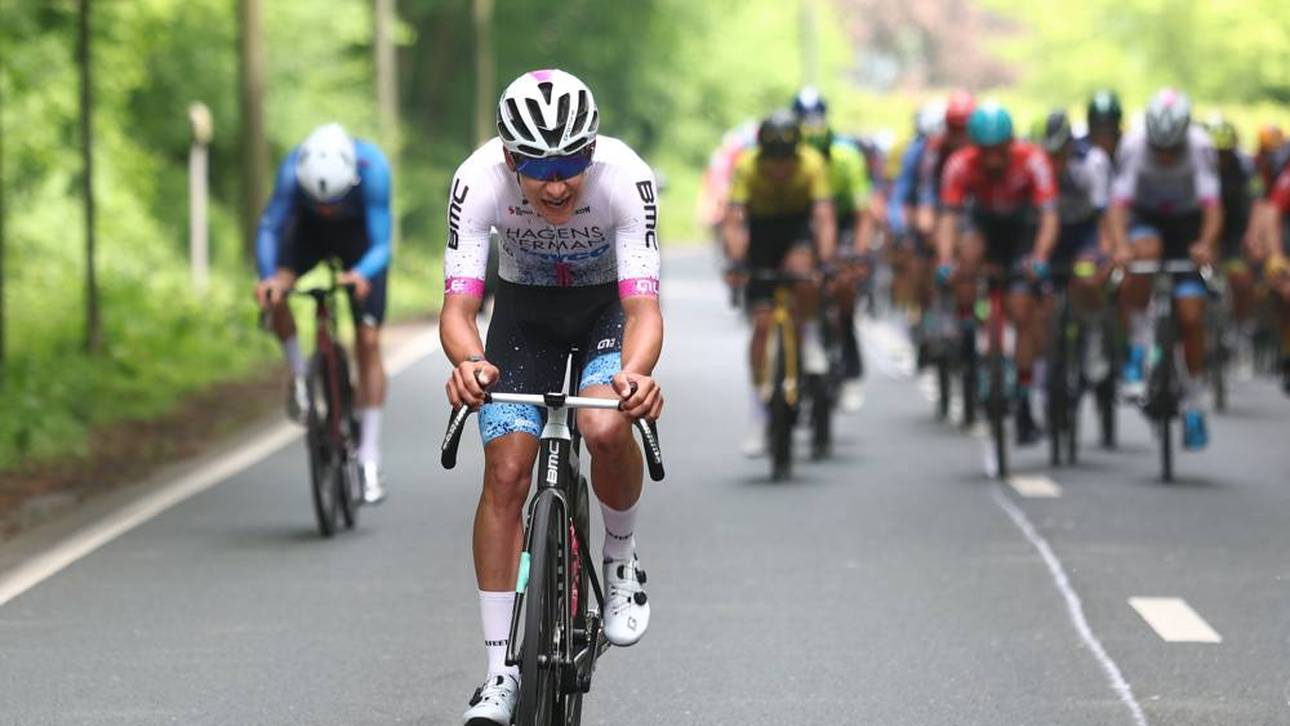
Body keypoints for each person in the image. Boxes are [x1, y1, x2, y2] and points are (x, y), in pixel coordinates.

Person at [439, 69, 664, 725]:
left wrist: (635, 374)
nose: (558, 184)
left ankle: (619, 556)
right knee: (507, 470)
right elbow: (458, 309)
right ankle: (498, 673)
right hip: (524, 319)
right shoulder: (477, 180)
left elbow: (644, 310)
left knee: (605, 427)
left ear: (592, 150)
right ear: (511, 159)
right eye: (539, 168)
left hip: (606, 314)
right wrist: (470, 363)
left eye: (571, 164)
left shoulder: (626, 177)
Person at [254, 123, 392, 504]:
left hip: (359, 241)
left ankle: (369, 456)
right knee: (275, 293)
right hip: (308, 233)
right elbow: (270, 227)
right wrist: (268, 278)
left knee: (368, 340)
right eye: (321, 202)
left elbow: (382, 243)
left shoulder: (373, 170)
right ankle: (300, 375)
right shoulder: (291, 170)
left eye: (334, 202)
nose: (328, 209)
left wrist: (362, 274)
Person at [934, 102, 1059, 445]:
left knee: (1022, 308)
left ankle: (1024, 397)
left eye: (998, 152)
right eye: (984, 152)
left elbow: (1049, 217)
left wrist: (1040, 257)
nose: (991, 161)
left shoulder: (1033, 160)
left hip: (1022, 229)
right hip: (985, 226)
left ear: (1010, 144)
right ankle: (970, 327)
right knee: (967, 255)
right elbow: (948, 218)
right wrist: (945, 260)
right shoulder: (959, 164)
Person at [1107, 88, 1222, 449]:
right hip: (1147, 219)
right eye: (1160, 149)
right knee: (1143, 254)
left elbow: (1213, 206)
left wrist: (1205, 244)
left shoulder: (1200, 146)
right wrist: (1121, 246)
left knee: (1191, 315)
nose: (1166, 156)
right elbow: (1118, 205)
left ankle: (1195, 402)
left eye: (1173, 149)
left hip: (1187, 225)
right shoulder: (1133, 145)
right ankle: (1138, 346)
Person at [723, 110, 837, 456]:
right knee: (761, 325)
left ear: (796, 154)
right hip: (761, 234)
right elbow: (735, 220)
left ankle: (811, 337)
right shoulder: (747, 166)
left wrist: (825, 262)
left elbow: (824, 217)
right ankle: (759, 414)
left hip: (795, 229)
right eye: (773, 159)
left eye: (786, 159)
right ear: (763, 155)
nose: (780, 167)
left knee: (803, 272)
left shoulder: (812, 164)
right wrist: (737, 262)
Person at [792, 87, 875, 411]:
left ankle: (850, 363)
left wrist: (859, 253)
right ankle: (807, 341)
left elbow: (864, 214)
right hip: (804, 219)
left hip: (842, 220)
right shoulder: (791, 158)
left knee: (844, 287)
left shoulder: (847, 156)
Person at [1039, 110, 1114, 383]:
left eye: (1060, 154)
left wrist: (1106, 254)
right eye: (1051, 154)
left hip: (1085, 230)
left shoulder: (1092, 163)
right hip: (1052, 230)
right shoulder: (1039, 165)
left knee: (1086, 274)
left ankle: (1093, 334)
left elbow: (1104, 216)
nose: (1055, 161)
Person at [1207, 115, 1258, 379]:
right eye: (1216, 152)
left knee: (1242, 279)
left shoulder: (1245, 169)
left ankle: (1241, 332)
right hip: (1206, 232)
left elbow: (1256, 205)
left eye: (1225, 152)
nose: (1220, 158)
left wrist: (1252, 235)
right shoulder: (1200, 167)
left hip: (1236, 232)